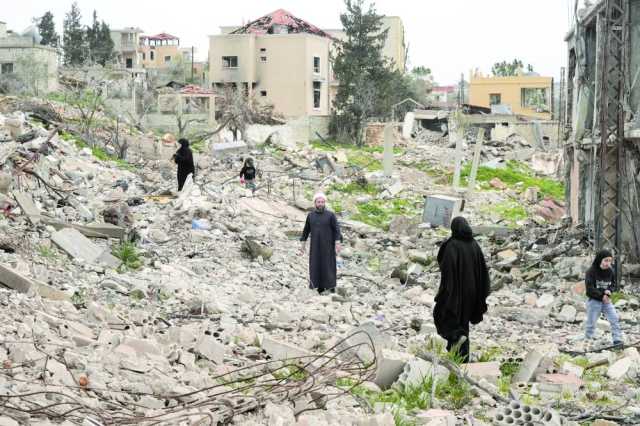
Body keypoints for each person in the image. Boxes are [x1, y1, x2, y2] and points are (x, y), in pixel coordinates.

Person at [433, 217, 490, 363]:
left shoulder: (451, 245)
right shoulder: (474, 245)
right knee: (463, 323)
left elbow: (446, 269)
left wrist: (445, 292)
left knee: (450, 320)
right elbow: (483, 271)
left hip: (455, 291)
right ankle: (462, 358)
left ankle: (457, 354)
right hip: (472, 293)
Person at [300, 193, 342, 294]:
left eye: (322, 202)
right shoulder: (311, 216)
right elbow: (306, 230)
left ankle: (330, 286)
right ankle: (318, 286)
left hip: (328, 245)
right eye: (319, 202)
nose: (321, 204)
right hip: (315, 246)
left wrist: (337, 243)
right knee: (315, 264)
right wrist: (303, 245)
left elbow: (337, 230)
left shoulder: (330, 215)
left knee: (328, 265)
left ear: (325, 203)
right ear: (315, 203)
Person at [585, 249, 623, 345]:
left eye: (610, 261)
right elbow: (589, 289)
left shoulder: (610, 271)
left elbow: (613, 284)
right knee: (591, 323)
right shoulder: (591, 271)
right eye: (606, 260)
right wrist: (602, 295)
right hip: (594, 301)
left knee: (614, 318)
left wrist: (609, 291)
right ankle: (587, 342)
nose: (608, 263)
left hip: (606, 300)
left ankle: (617, 340)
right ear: (600, 260)